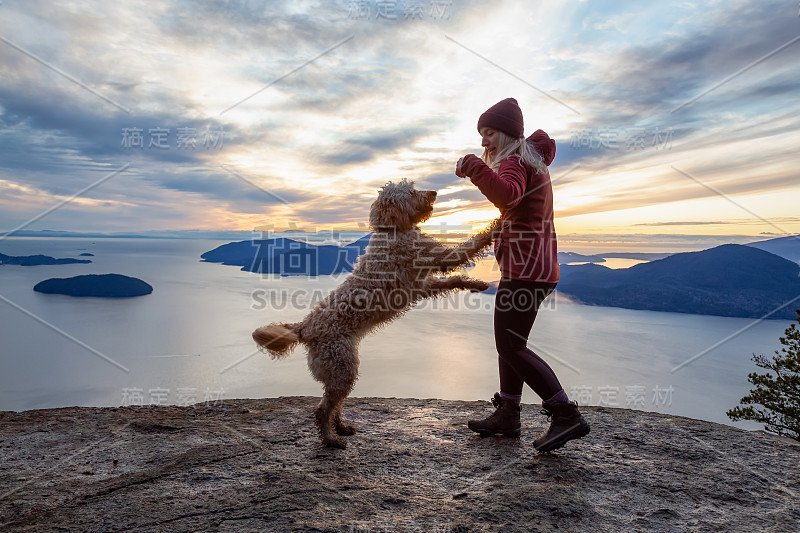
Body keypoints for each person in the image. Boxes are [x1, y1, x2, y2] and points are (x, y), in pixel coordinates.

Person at [455, 97, 589, 452]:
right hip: (538, 268)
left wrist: (473, 166)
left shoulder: (513, 161)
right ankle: (509, 413)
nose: (484, 142)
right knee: (512, 344)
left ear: (509, 134)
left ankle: (565, 415)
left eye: (490, 133)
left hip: (525, 271)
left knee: (509, 345)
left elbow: (507, 196)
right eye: (481, 135)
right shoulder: (532, 162)